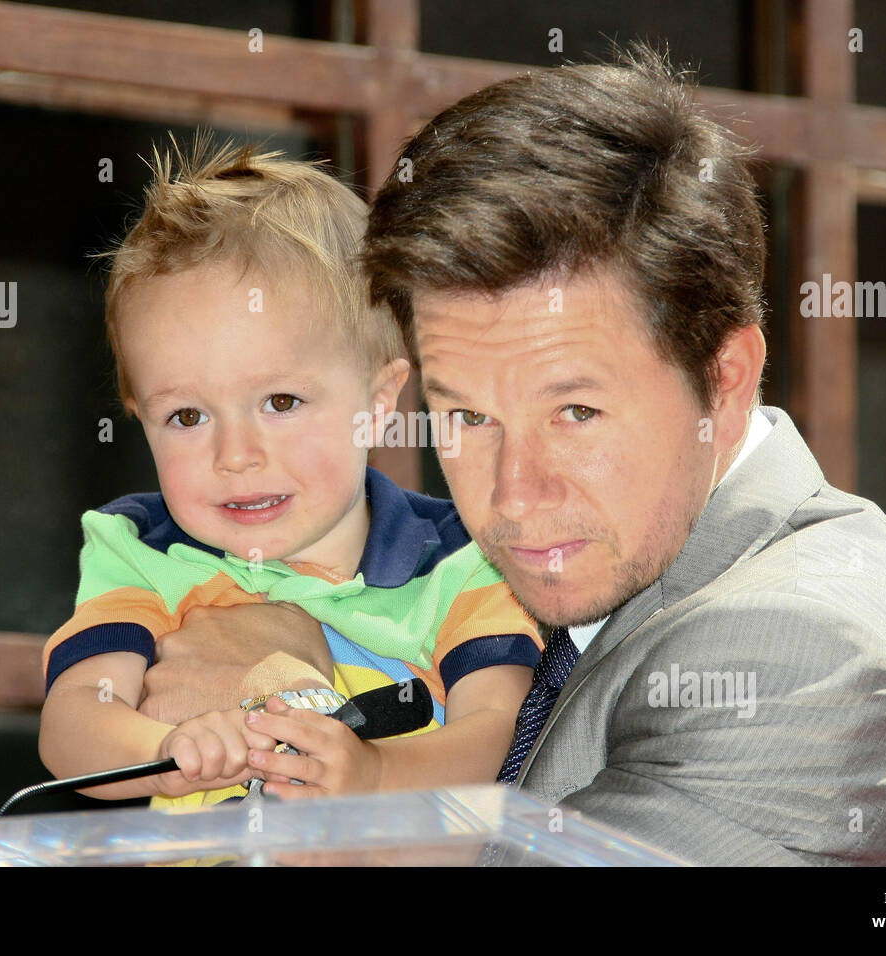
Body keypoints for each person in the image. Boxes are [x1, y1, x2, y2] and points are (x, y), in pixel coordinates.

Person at [139, 45, 886, 865]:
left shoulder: (798, 658)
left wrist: (295, 700)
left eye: (576, 412)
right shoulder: (549, 596)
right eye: (468, 418)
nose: (514, 495)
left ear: (726, 378)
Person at [37, 140, 541, 809]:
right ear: (139, 416)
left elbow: (501, 731)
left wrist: (374, 773)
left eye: (280, 403)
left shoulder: (460, 561)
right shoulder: (143, 550)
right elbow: (71, 722)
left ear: (378, 399)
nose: (235, 455)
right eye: (187, 416)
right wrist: (159, 753)